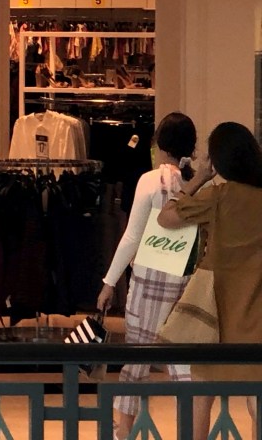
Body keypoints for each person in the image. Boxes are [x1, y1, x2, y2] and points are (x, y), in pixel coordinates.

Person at [95, 112, 198, 440]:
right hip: (184, 285)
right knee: (183, 368)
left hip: (148, 284)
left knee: (135, 365)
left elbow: (132, 237)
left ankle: (123, 435)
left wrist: (109, 282)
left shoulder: (150, 181)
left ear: (158, 145)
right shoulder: (195, 183)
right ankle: (191, 432)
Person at [159, 121, 262, 440]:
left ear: (218, 160)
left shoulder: (218, 196)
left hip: (216, 314)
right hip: (256, 309)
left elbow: (166, 217)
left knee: (201, 395)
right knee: (257, 399)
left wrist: (200, 177)